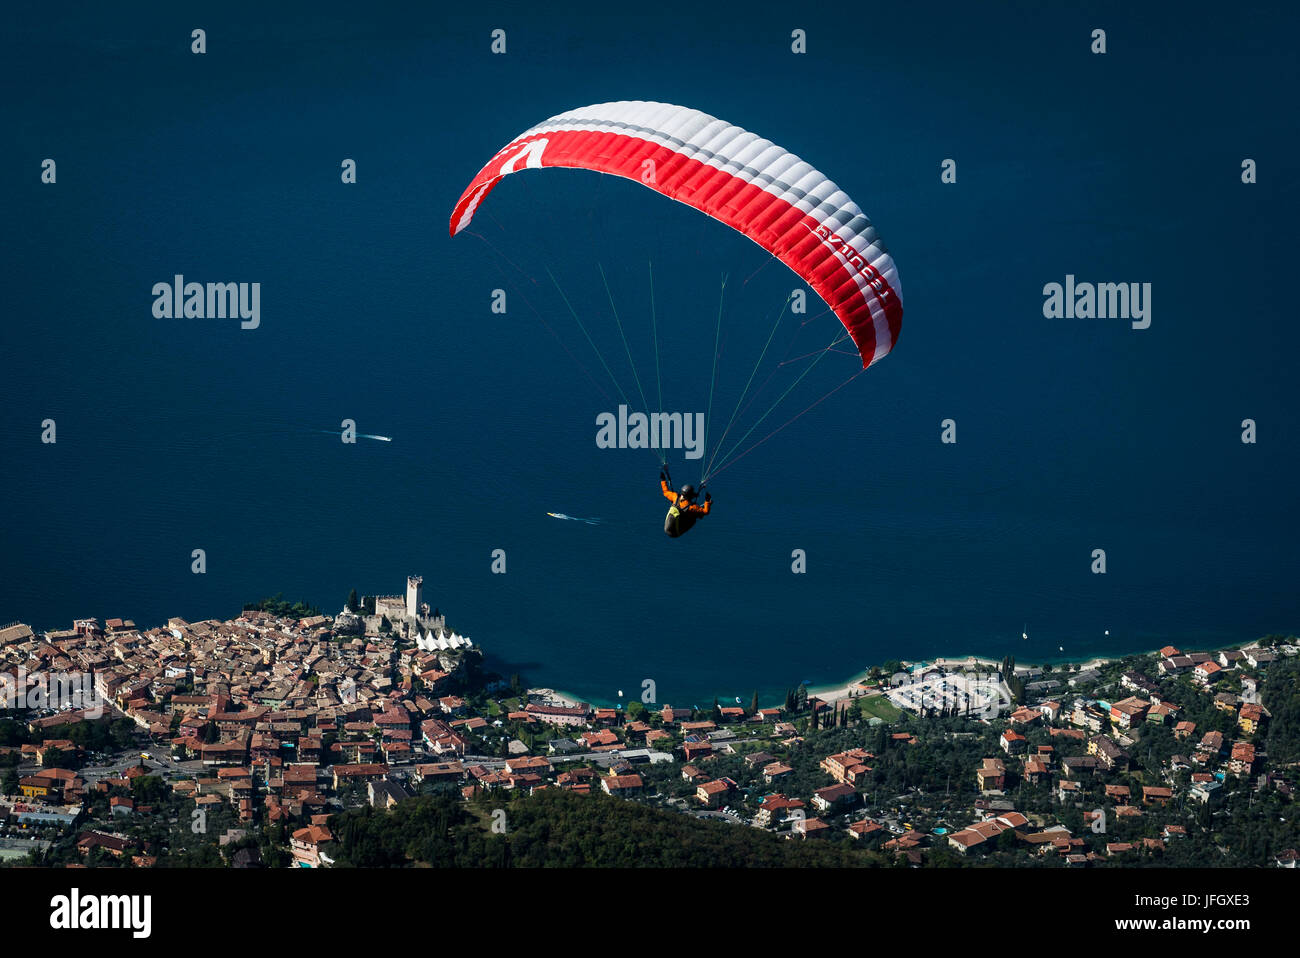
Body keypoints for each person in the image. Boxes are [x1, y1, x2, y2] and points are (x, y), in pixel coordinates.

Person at [660, 467, 712, 538]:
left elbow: (665, 492)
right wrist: (707, 501)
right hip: (676, 533)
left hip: (666, 529)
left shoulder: (675, 497)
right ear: (690, 496)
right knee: (695, 517)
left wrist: (663, 480)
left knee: (692, 513)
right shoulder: (692, 507)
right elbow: (706, 511)